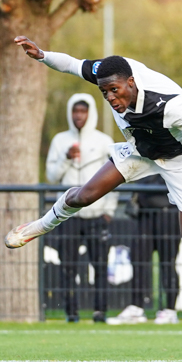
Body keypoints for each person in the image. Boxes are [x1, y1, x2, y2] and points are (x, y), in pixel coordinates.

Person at [6, 36, 182, 342]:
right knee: (84, 195)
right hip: (140, 152)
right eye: (104, 91)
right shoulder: (107, 72)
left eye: (115, 90)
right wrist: (43, 55)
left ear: (132, 83)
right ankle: (35, 227)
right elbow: (71, 64)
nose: (110, 97)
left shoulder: (170, 104)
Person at [45, 93, 118, 324]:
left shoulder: (104, 141)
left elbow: (115, 177)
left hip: (97, 215)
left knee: (100, 266)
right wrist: (65, 159)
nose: (79, 116)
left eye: (83, 111)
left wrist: (109, 211)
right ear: (70, 113)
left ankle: (100, 312)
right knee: (68, 267)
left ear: (91, 113)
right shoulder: (59, 140)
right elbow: (51, 177)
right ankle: (71, 313)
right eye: (75, 111)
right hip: (68, 216)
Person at [124, 174, 182, 325]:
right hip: (144, 212)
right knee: (139, 261)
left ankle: (170, 309)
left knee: (168, 263)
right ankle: (136, 308)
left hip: (168, 212)